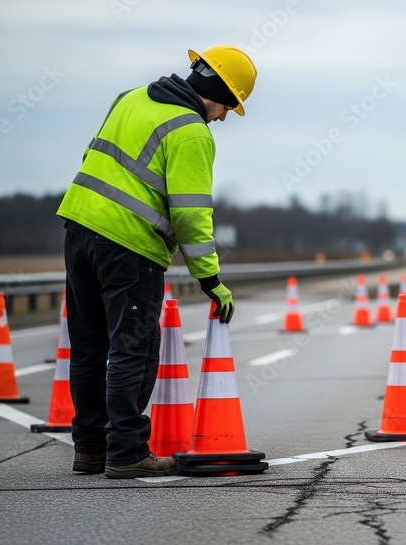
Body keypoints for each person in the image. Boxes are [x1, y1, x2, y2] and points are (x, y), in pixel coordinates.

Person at [56, 45, 256, 479]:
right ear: (219, 90)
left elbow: (94, 158)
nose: (223, 117)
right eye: (228, 105)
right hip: (129, 247)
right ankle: (126, 451)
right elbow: (190, 214)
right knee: (134, 348)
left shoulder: (130, 97)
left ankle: (89, 448)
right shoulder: (191, 132)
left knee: (89, 348)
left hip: (77, 228)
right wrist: (211, 279)